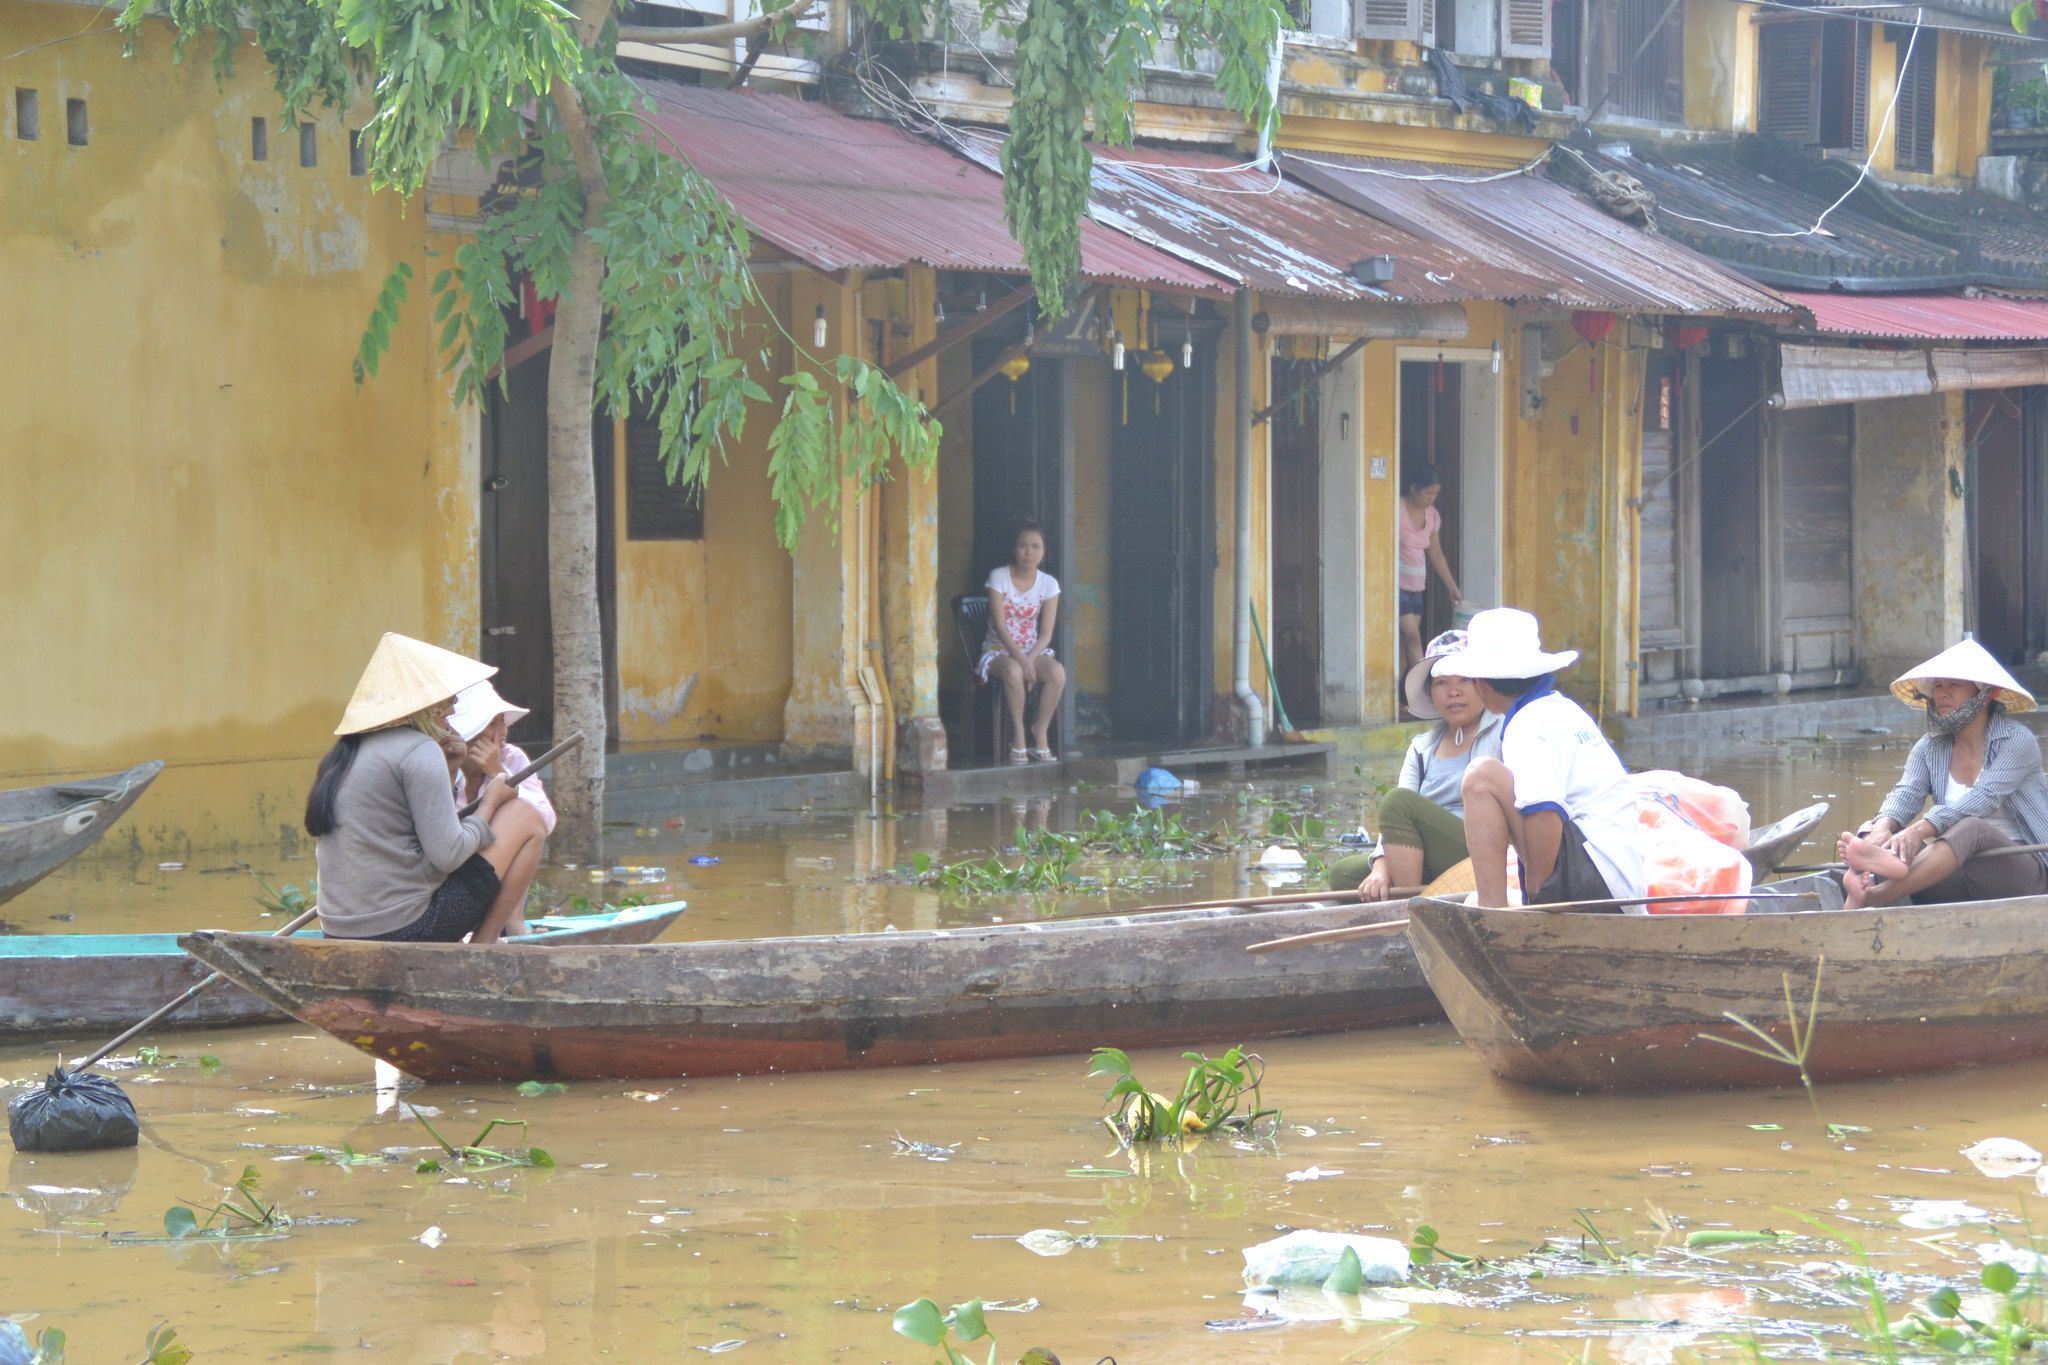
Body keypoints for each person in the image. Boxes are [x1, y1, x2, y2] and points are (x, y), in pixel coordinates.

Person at [304, 633, 548, 944]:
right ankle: (484, 948)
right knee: (525, 816)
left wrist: (449, 770)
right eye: (446, 701)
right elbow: (448, 857)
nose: (453, 708)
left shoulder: (345, 751)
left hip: (337, 929)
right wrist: (490, 801)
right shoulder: (418, 749)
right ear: (423, 708)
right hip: (404, 929)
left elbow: (422, 836)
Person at [1439, 608, 1647, 910]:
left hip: (1595, 880)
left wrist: (1538, 897)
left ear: (1482, 685)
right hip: (1619, 884)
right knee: (1470, 900)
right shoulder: (1561, 709)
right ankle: (1493, 905)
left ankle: (1492, 913)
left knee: (1480, 777)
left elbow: (1544, 812)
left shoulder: (1528, 724)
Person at [1836, 639, 2048, 908]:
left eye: (1954, 685)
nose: (1943, 694)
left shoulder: (2017, 741)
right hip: (1955, 873)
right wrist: (1881, 829)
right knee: (1871, 829)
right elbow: (1905, 793)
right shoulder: (1929, 747)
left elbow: (1983, 799)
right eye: (1938, 686)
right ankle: (1867, 883)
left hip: (2021, 875)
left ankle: (1873, 897)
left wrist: (1918, 831)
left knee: (1971, 828)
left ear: (1985, 694)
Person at [1327, 629, 1502, 898]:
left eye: (1464, 680)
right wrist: (1380, 868)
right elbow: (1394, 827)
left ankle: (1407, 906)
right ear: (1430, 693)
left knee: (1398, 802)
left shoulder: (1503, 732)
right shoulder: (1422, 747)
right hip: (1425, 856)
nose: (1453, 692)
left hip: (1480, 852)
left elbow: (1399, 808)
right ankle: (1413, 890)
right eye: (1442, 683)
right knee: (1342, 874)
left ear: (1483, 685)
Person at [449, 679, 556, 937]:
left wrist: (497, 774)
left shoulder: (510, 758)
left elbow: (543, 820)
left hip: (496, 872)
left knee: (521, 830)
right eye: (492, 723)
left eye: (502, 721)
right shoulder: (445, 766)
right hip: (455, 871)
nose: (502, 730)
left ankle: (512, 924)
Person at [979, 520, 1066, 764]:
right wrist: (1021, 660)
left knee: (1057, 672)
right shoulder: (999, 577)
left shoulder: (1049, 584)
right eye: (1023, 546)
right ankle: (1018, 734)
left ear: (1044, 551)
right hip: (998, 650)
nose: (1029, 552)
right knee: (1013, 670)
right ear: (1014, 549)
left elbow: (1046, 633)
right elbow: (1000, 625)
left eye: (1036, 547)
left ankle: (1039, 729)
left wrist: (1029, 659)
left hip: (1032, 651)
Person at [1399, 465, 1462, 690]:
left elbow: (1435, 553)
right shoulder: (1396, 509)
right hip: (1396, 587)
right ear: (1413, 488)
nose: (1431, 498)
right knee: (1413, 637)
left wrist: (1452, 587)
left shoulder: (1432, 515)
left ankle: (1399, 693)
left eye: (1435, 493)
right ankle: (1424, 692)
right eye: (1427, 493)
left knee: (1405, 642)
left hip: (1417, 587)